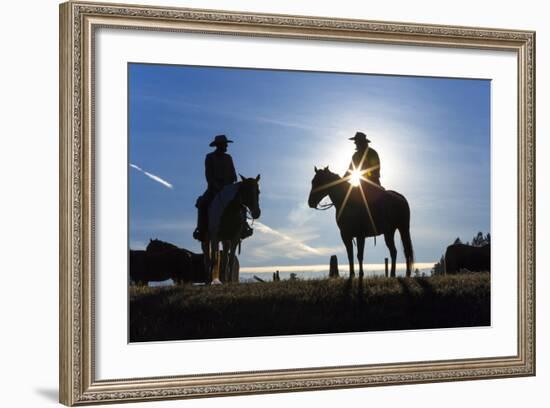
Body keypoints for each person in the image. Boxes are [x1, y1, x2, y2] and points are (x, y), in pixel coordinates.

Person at [193, 134, 253, 241]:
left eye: (226, 145)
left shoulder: (228, 158)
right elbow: (209, 175)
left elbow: (233, 175)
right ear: (219, 145)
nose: (226, 147)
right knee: (202, 203)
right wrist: (216, 185)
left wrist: (229, 184)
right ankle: (201, 229)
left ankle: (244, 227)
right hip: (213, 189)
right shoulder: (210, 157)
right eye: (225, 145)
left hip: (228, 188)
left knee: (241, 204)